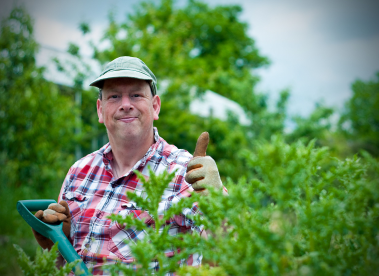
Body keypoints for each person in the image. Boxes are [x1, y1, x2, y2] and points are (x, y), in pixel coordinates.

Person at [32, 56, 225, 274]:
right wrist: (55, 242)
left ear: (155, 106)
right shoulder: (79, 172)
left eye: (136, 95)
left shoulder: (186, 172)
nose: (125, 105)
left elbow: (229, 251)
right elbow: (60, 265)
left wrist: (217, 199)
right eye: (114, 96)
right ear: (100, 110)